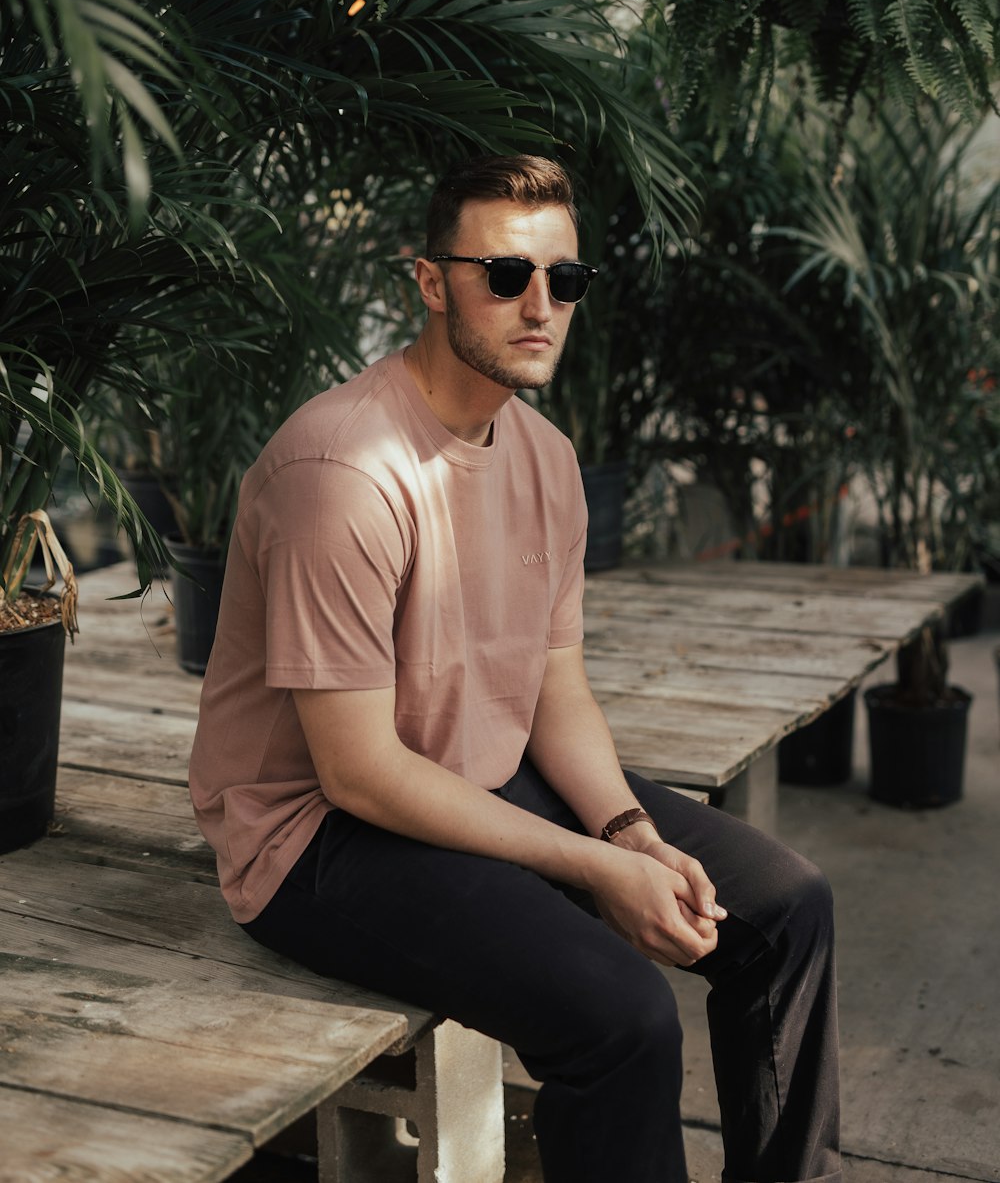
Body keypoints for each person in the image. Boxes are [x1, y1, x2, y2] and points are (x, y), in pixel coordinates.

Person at [189, 154, 841, 1183]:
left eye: (563, 280)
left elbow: (554, 687)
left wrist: (626, 829)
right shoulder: (345, 473)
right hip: (315, 832)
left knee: (786, 910)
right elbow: (356, 770)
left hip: (476, 774)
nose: (539, 305)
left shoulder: (542, 457)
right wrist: (596, 868)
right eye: (503, 275)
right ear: (430, 281)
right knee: (621, 1020)